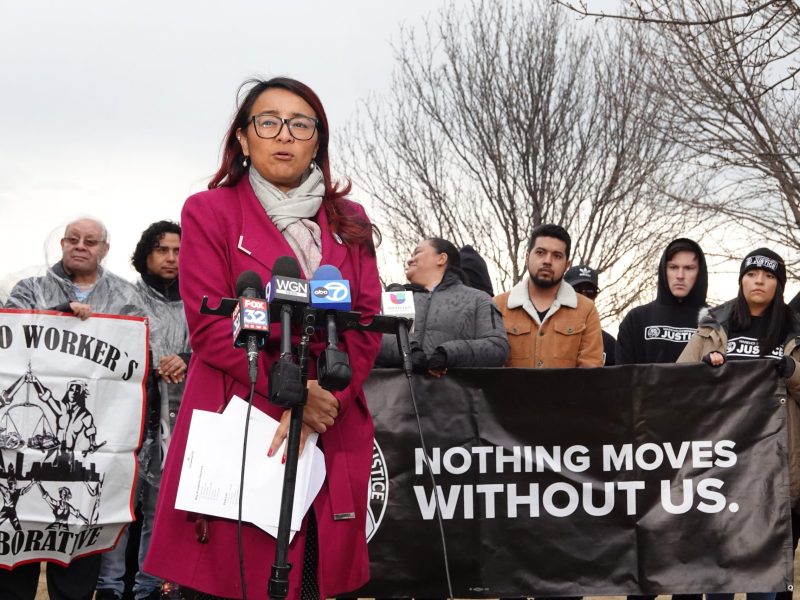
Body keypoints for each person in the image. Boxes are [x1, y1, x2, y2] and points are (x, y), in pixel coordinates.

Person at [143, 77, 382, 600]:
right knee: (236, 578)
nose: (284, 135)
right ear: (244, 139)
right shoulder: (210, 212)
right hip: (246, 410)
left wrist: (327, 400)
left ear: (317, 140)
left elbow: (366, 322)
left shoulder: (351, 221)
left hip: (330, 422)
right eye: (268, 121)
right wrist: (294, 393)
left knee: (317, 579)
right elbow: (208, 329)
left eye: (301, 124)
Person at [1, 216, 143, 600]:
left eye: (90, 241)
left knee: (79, 542)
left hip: (94, 440)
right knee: (18, 546)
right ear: (62, 243)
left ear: (104, 249)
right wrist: (59, 312)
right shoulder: (30, 289)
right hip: (30, 441)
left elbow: (141, 355)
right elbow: (10, 334)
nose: (80, 246)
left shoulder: (126, 296)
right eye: (73, 239)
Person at [678, 248, 800, 600]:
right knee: (720, 580)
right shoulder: (714, 325)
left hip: (772, 473)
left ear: (779, 284)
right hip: (721, 470)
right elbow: (677, 383)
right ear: (741, 279)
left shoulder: (795, 330)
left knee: (765, 584)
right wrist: (706, 367)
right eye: (751, 274)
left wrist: (792, 373)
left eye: (769, 276)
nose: (759, 281)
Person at [96, 221, 191, 600]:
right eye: (162, 250)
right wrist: (149, 361)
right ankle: (109, 588)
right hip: (127, 422)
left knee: (160, 510)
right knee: (118, 509)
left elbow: (215, 347)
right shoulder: (124, 299)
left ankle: (152, 586)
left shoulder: (200, 303)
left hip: (181, 423)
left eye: (179, 250)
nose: (171, 258)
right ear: (145, 255)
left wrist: (185, 359)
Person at [375, 237, 509, 374]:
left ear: (441, 258)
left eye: (417, 252)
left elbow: (497, 347)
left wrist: (448, 354)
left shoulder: (478, 299)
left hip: (453, 394)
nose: (410, 260)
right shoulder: (396, 298)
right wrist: (407, 351)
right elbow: (370, 340)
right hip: (397, 393)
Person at [494, 224, 603, 368]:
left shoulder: (586, 310)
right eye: (540, 252)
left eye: (557, 256)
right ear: (527, 257)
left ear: (567, 265)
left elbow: (591, 370)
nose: (547, 261)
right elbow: (491, 369)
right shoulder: (498, 305)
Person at [616, 238, 708, 365]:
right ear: (664, 270)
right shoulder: (637, 319)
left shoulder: (714, 321)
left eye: (689, 268)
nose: (680, 275)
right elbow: (623, 376)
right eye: (673, 267)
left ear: (700, 273)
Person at [564, 264, 616, 366]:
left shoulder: (609, 343)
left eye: (590, 291)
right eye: (576, 291)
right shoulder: (547, 334)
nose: (584, 297)